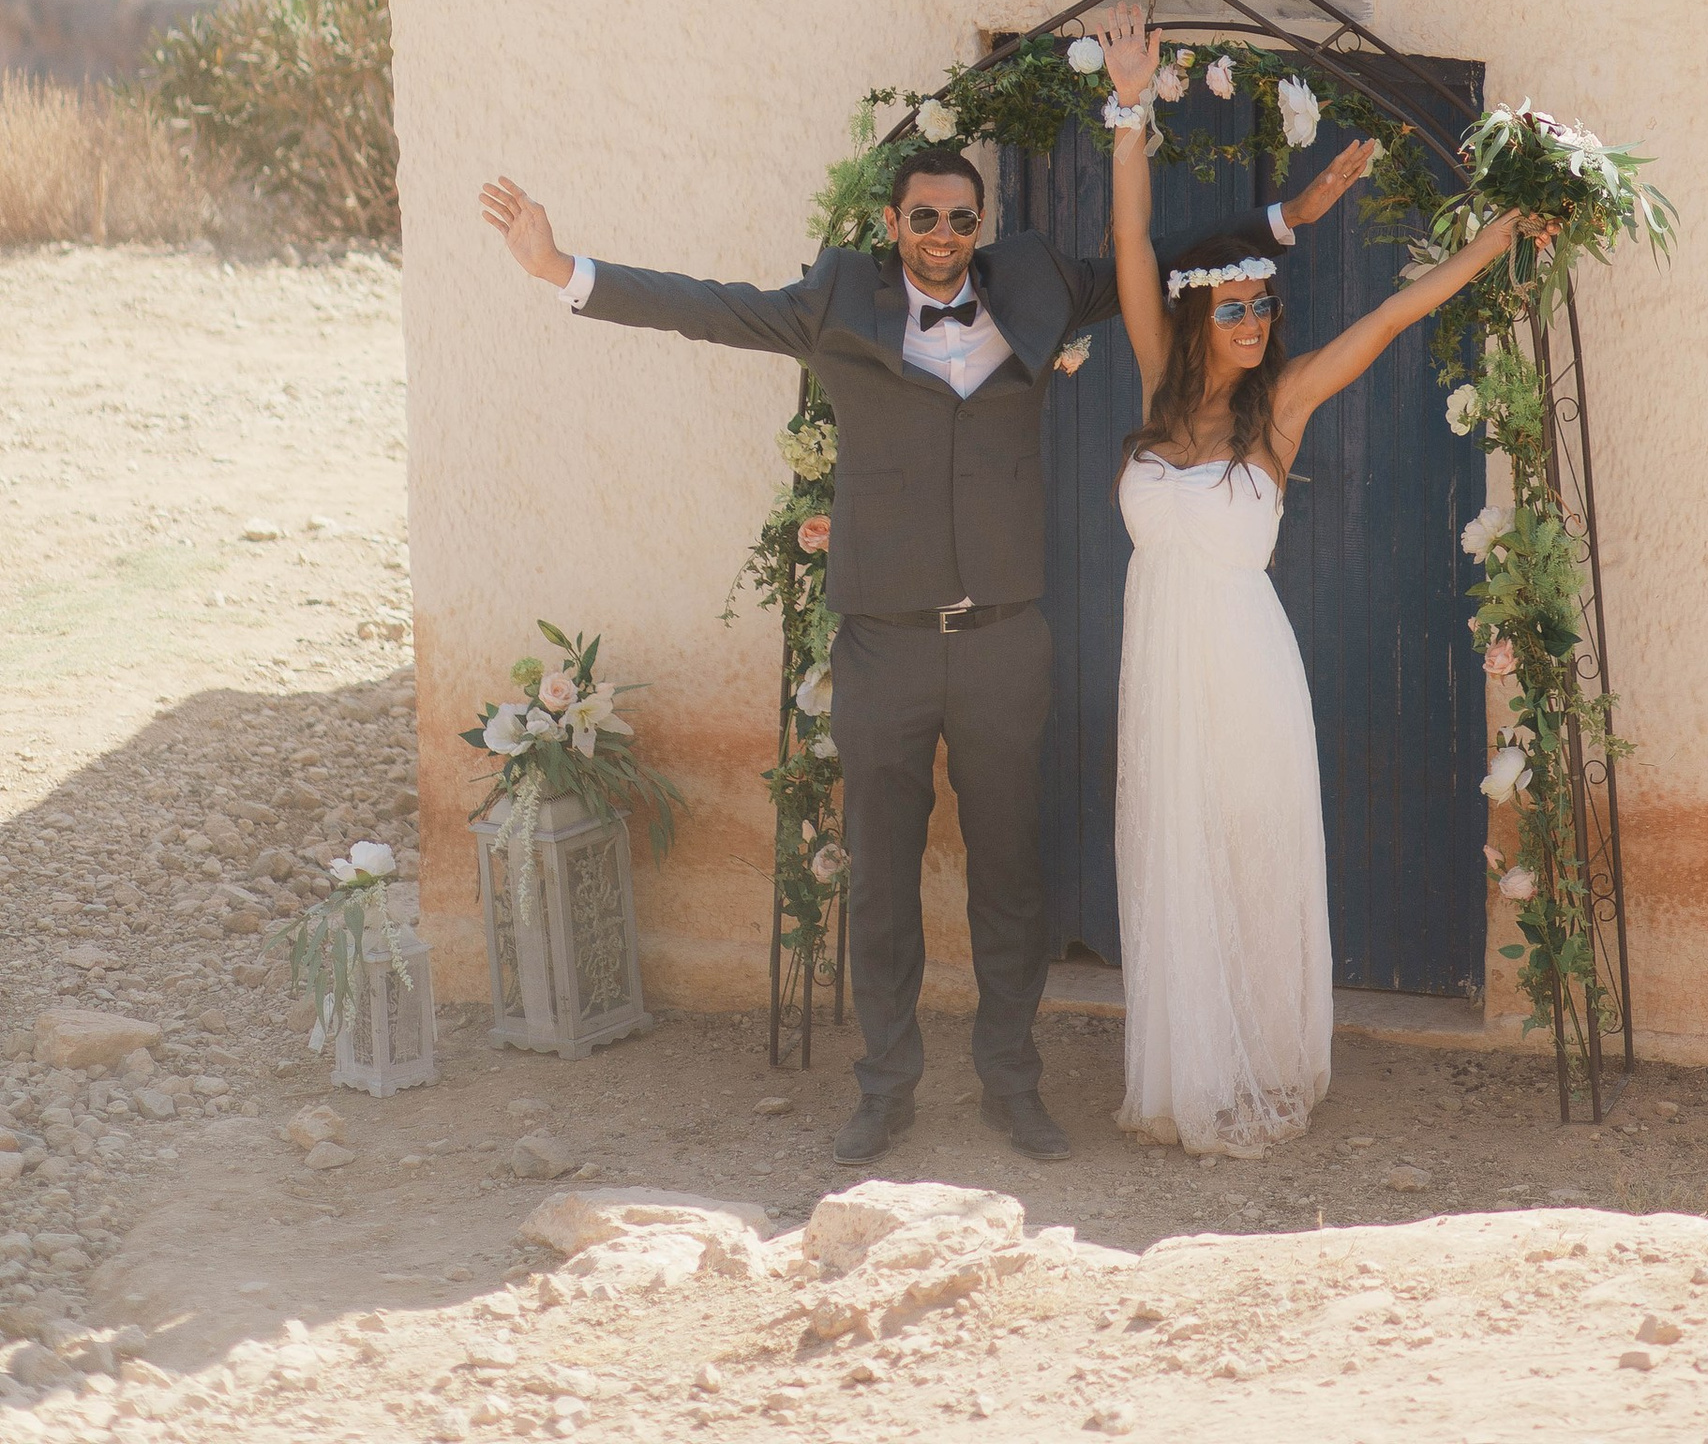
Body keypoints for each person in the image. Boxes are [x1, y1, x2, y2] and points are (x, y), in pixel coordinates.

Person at [478, 102, 1370, 1164]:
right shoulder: (836, 303)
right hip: (883, 642)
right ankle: (884, 1088)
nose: (943, 235)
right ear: (893, 224)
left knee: (1009, 880)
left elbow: (1163, 259)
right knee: (879, 874)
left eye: (959, 217)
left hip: (1003, 641)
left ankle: (1012, 1085)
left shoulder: (1033, 289)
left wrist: (1287, 214)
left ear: (978, 223)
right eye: (924, 218)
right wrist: (559, 268)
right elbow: (708, 308)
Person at [1095, 0, 1524, 1159]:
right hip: (1163, 668)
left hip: (1246, 668)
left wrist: (1485, 248)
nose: (1252, 319)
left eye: (1261, 304)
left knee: (1247, 848)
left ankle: (1265, 1058)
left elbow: (1384, 321)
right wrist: (1127, 111)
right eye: (1232, 305)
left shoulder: (1277, 411)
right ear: (1195, 320)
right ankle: (1190, 1067)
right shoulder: (1153, 392)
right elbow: (1130, 247)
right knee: (1173, 855)